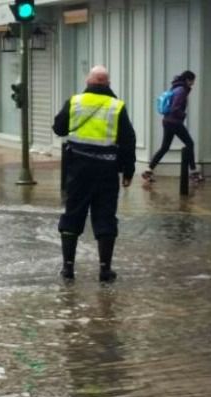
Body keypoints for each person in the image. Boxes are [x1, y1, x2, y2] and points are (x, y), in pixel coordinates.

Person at [53, 66, 137, 282]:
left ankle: (68, 269)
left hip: (78, 171)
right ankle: (104, 269)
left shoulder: (75, 102)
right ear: (108, 84)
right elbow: (128, 141)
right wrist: (129, 171)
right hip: (107, 172)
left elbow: (59, 129)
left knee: (73, 214)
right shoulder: (116, 106)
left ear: (88, 82)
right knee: (105, 216)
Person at [142, 71, 203, 183]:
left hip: (167, 121)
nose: (194, 83)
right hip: (174, 122)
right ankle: (194, 173)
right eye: (193, 80)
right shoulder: (182, 90)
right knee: (190, 143)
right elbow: (175, 108)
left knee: (165, 147)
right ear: (188, 80)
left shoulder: (175, 88)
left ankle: (148, 170)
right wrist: (183, 115)